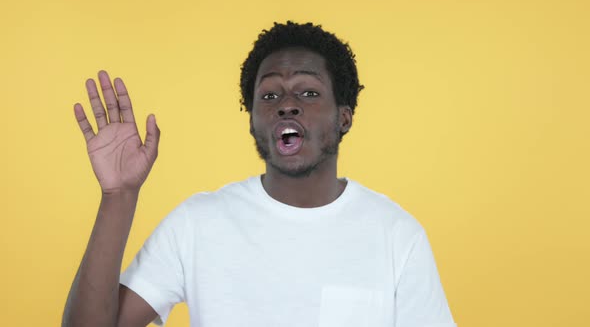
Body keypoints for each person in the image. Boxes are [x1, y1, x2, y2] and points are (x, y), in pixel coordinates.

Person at [63, 21, 456, 327]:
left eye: (308, 92)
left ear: (344, 117)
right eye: (269, 96)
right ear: (252, 121)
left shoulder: (396, 236)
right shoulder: (198, 223)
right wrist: (119, 197)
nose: (287, 104)